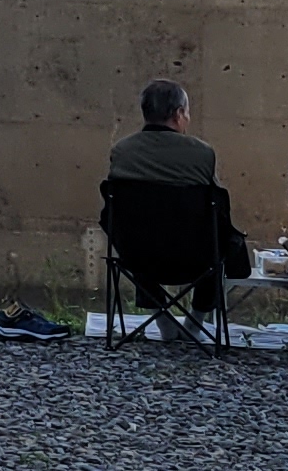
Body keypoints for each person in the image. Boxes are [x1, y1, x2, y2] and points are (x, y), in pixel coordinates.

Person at [102, 78, 251, 328]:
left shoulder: (122, 152)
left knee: (136, 231)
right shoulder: (202, 153)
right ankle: (196, 322)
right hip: (195, 259)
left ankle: (163, 322)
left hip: (138, 258)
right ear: (179, 113)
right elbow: (217, 212)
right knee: (216, 237)